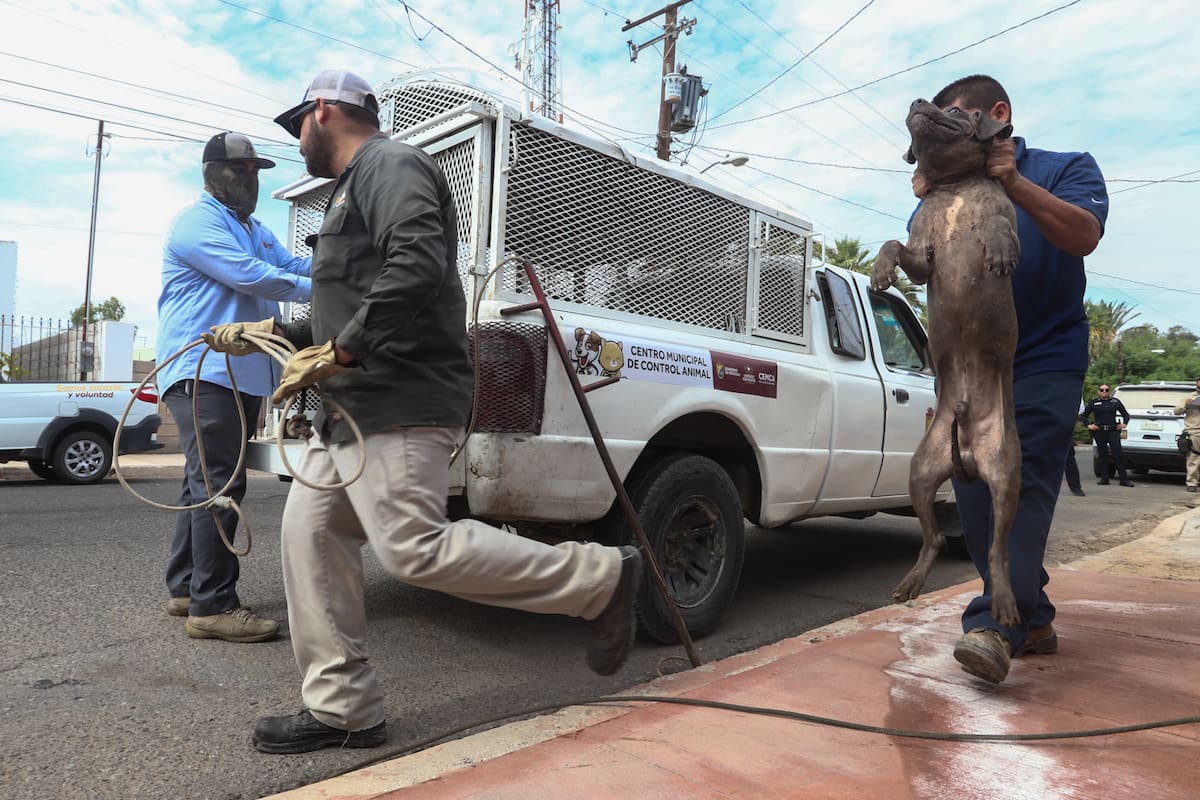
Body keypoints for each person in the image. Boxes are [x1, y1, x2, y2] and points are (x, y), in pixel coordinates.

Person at [206, 70, 642, 754]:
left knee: (413, 548)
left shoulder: (391, 164)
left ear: (324, 110)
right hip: (347, 412)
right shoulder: (351, 188)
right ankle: (345, 708)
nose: (296, 145)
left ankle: (602, 577)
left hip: (398, 398)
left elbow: (414, 263)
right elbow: (343, 309)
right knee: (311, 539)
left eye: (298, 129)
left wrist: (343, 352)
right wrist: (275, 336)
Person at [912, 75, 1108, 684]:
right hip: (971, 364)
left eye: (958, 117)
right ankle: (1035, 614)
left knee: (1022, 484)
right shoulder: (941, 191)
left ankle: (992, 627)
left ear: (998, 115)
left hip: (1047, 355)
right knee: (973, 490)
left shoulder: (1065, 167)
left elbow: (1083, 235)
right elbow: (929, 271)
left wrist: (1013, 184)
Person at [157, 132, 312, 643]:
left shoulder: (253, 227)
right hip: (205, 372)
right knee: (220, 486)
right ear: (211, 172)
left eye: (256, 171)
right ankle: (214, 605)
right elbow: (253, 278)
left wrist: (346, 262)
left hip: (239, 376)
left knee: (202, 483)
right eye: (240, 169)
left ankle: (186, 587)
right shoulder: (198, 222)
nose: (251, 179)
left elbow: (290, 265)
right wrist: (339, 290)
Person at [1080, 384, 1134, 487]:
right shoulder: (1094, 403)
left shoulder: (1115, 402)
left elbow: (1125, 414)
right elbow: (1083, 416)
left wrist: (1124, 423)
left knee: (1118, 454)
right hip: (1100, 431)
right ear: (1098, 391)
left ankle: (1123, 479)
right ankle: (1104, 478)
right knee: (1102, 455)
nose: (1104, 391)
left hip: (1113, 431)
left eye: (1106, 390)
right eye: (1102, 390)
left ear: (1109, 391)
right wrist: (1089, 425)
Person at [1174, 377, 1200, 493]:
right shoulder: (1189, 397)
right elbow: (1176, 411)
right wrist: (1186, 405)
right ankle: (1192, 483)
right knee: (1194, 458)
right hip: (1194, 430)